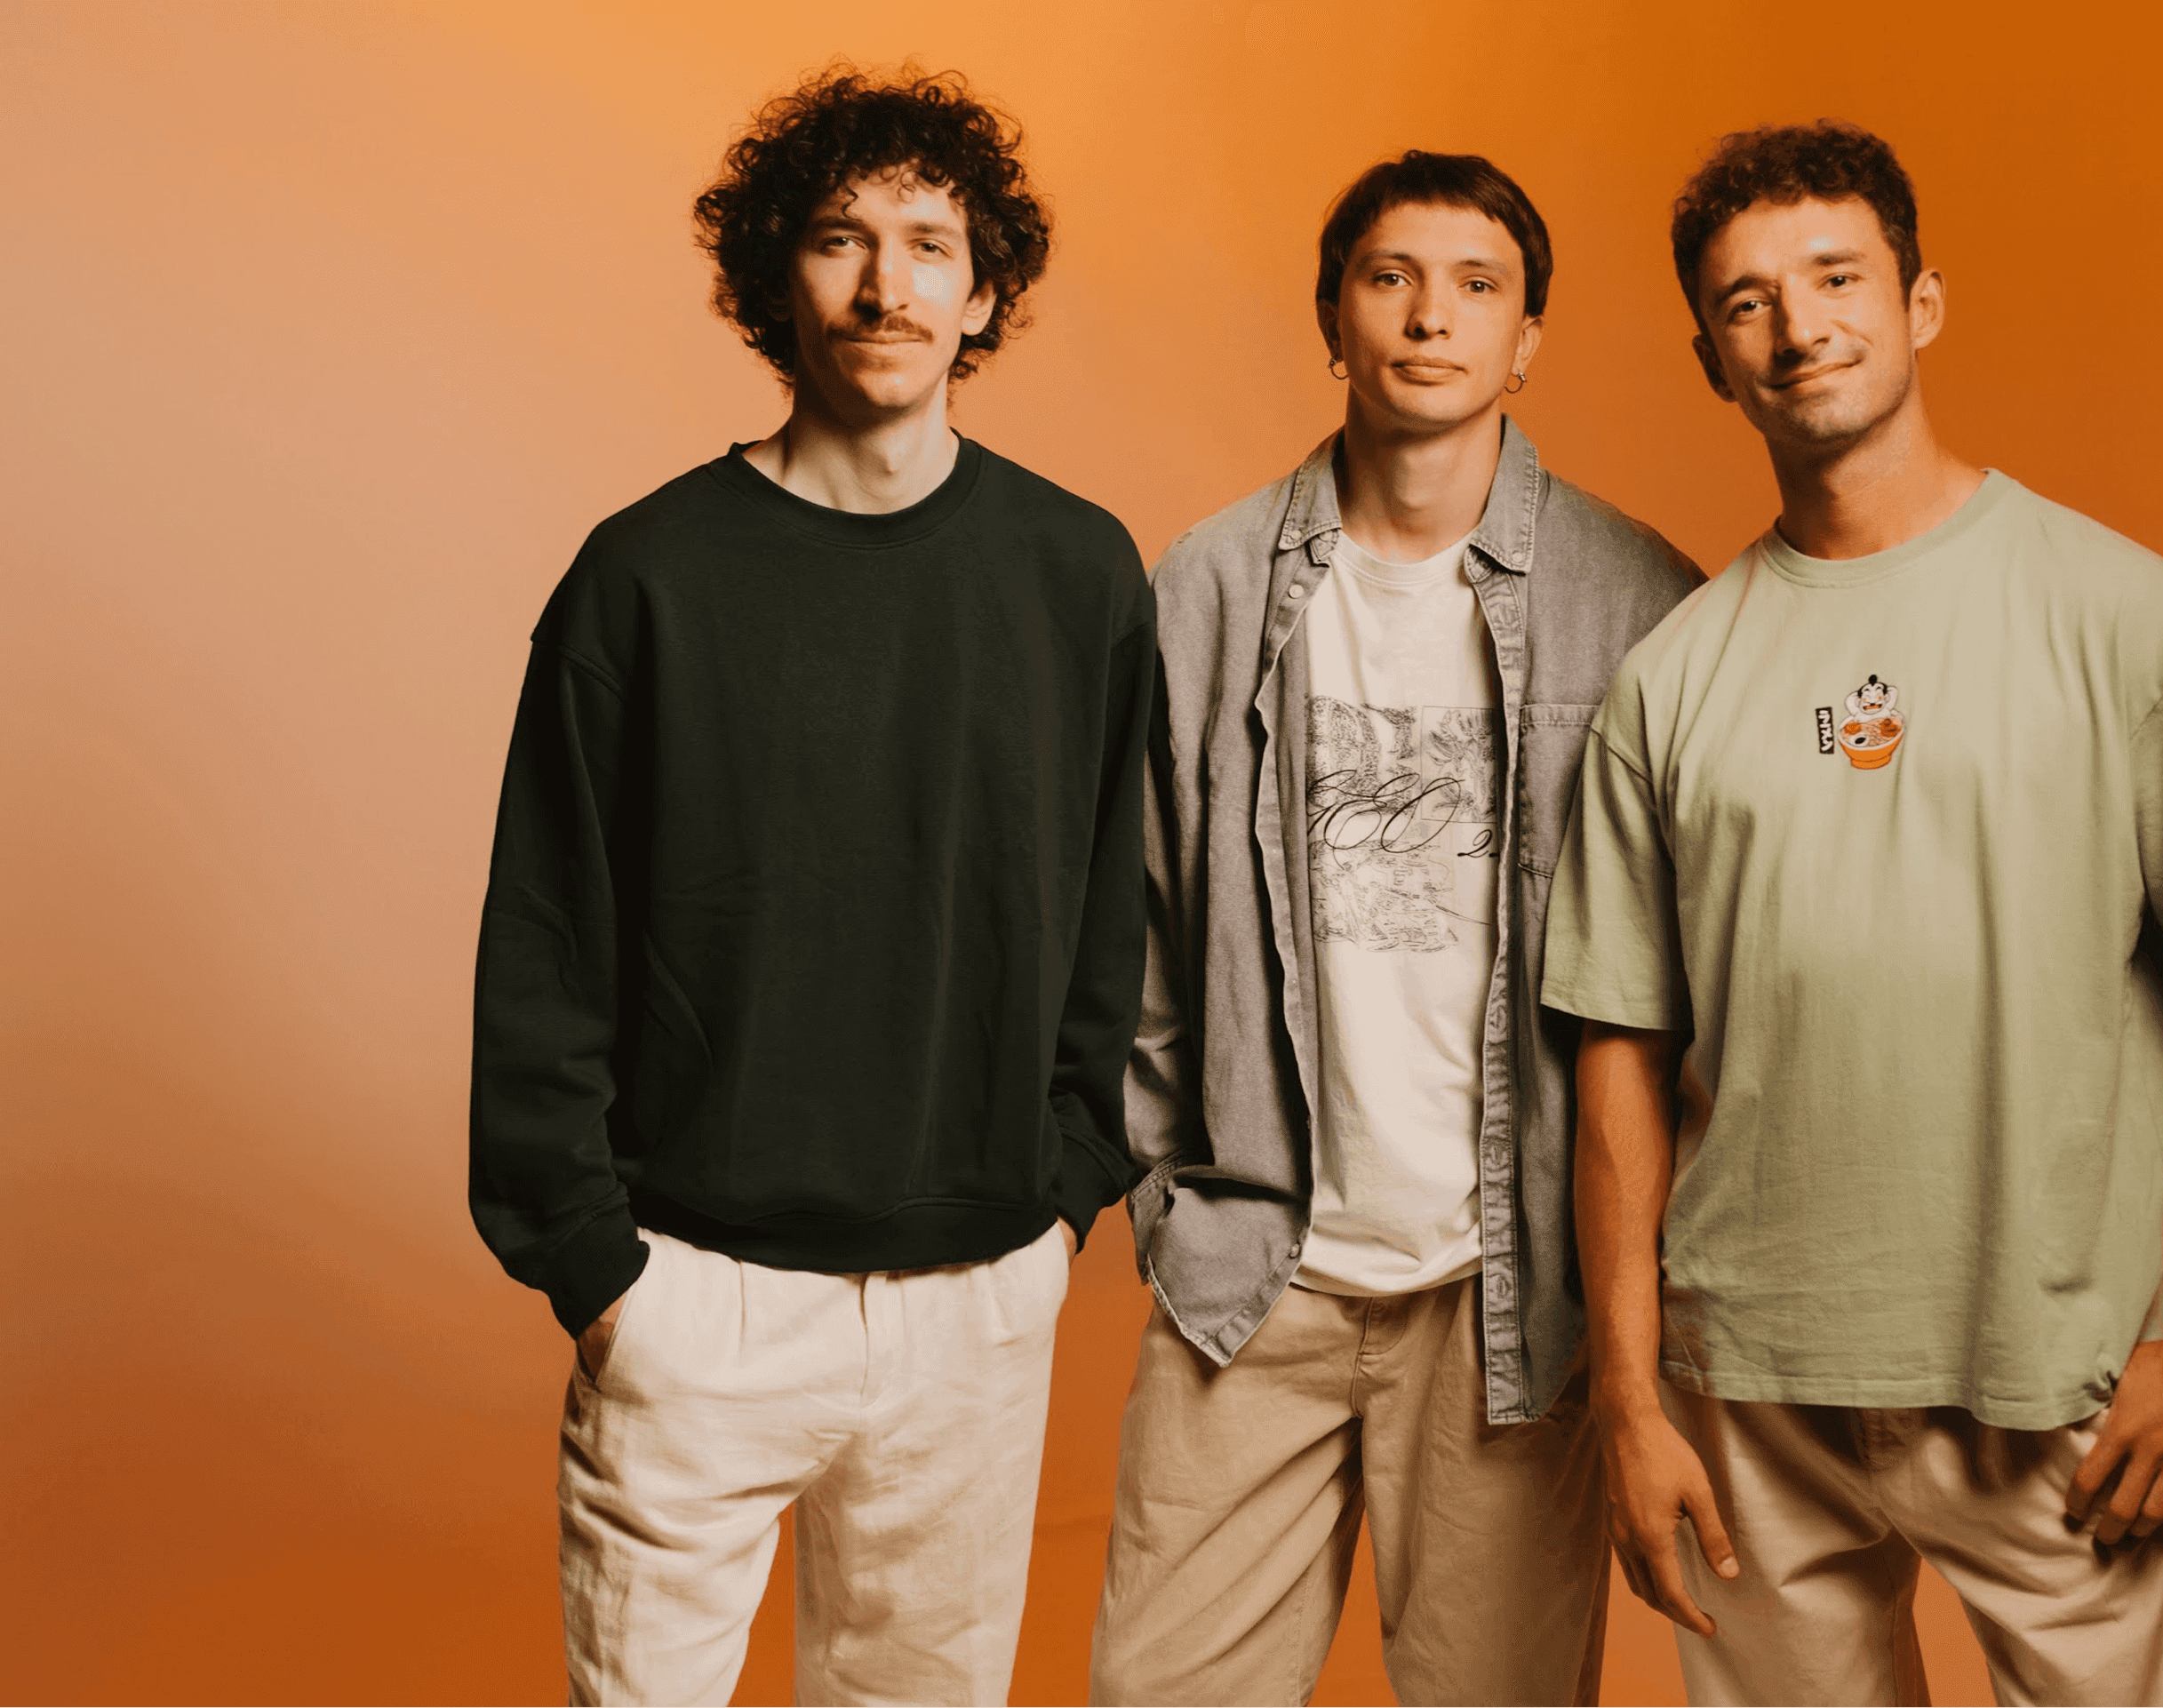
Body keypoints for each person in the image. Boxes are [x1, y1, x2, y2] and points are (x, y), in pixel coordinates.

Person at [1544, 122, 2163, 1707]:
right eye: (1747, 301)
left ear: (1923, 305)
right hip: (1747, 1391)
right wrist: (1630, 1396)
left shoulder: (2124, 616)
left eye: (1838, 277)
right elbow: (1619, 1050)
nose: (1800, 323)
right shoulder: (1673, 676)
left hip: (2054, 1383)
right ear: (1711, 359)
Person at [466, 67, 1153, 1707]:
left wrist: (1060, 1203)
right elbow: (546, 938)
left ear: (985, 290)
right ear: (778, 272)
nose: (887, 282)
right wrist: (602, 1269)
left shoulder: (1077, 572)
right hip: (698, 1298)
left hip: (977, 1302)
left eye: (931, 242)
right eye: (843, 239)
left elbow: (1119, 919)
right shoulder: (645, 576)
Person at [1087, 151, 1700, 1707]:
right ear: (1334, 315)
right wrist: (1167, 1194)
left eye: (1477, 286)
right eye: (1391, 279)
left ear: (1527, 337)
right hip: (1254, 1277)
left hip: (1512, 1301)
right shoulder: (1210, 583)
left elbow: (1701, 975)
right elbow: (1139, 925)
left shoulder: (1639, 600)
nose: (1432, 318)